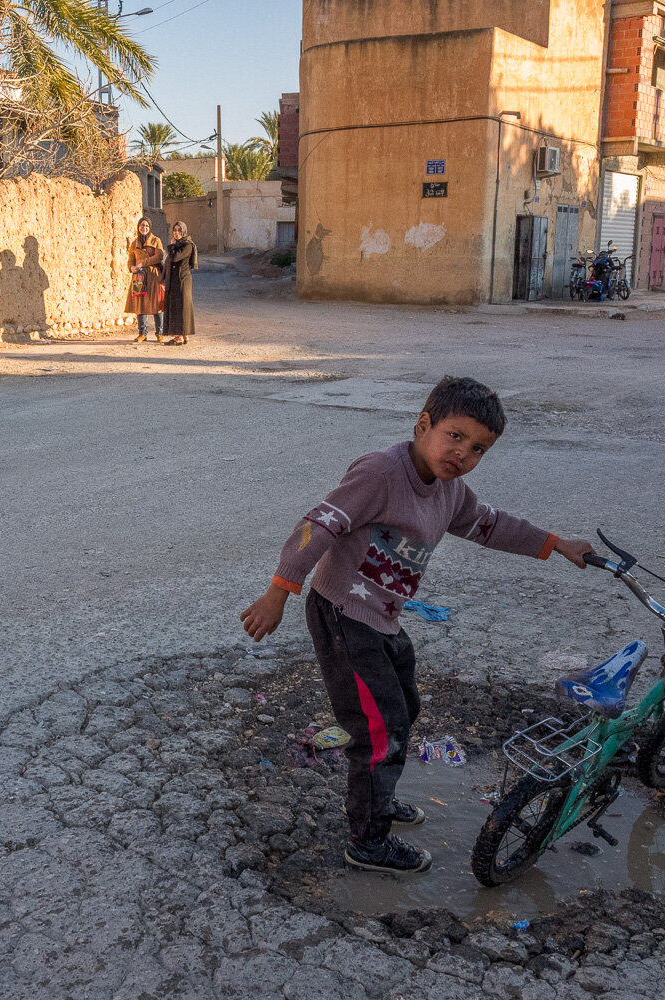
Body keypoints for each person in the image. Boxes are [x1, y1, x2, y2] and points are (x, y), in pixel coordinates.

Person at [240, 377, 594, 875]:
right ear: (422, 424)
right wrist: (279, 591)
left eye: (478, 449)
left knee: (403, 708)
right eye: (454, 436)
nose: (463, 454)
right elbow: (319, 524)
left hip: (381, 617)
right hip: (342, 613)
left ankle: (373, 800)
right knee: (380, 730)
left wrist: (554, 543)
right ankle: (368, 840)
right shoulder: (382, 473)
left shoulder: (450, 490)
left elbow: (489, 524)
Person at [126, 218, 166, 342]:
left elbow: (159, 257)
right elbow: (131, 260)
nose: (144, 228)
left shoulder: (156, 240)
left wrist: (143, 263)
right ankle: (142, 333)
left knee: (156, 304)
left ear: (150, 228)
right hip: (138, 276)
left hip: (154, 276)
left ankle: (160, 333)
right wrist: (131, 267)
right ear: (138, 227)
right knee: (139, 304)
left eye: (147, 226)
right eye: (142, 225)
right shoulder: (134, 243)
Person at [163, 221, 197, 346]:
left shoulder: (187, 245)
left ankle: (179, 337)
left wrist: (172, 245)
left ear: (184, 232)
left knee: (182, 307)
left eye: (179, 230)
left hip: (182, 280)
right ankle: (184, 335)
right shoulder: (179, 245)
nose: (176, 233)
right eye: (175, 230)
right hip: (176, 280)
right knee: (180, 306)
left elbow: (175, 257)